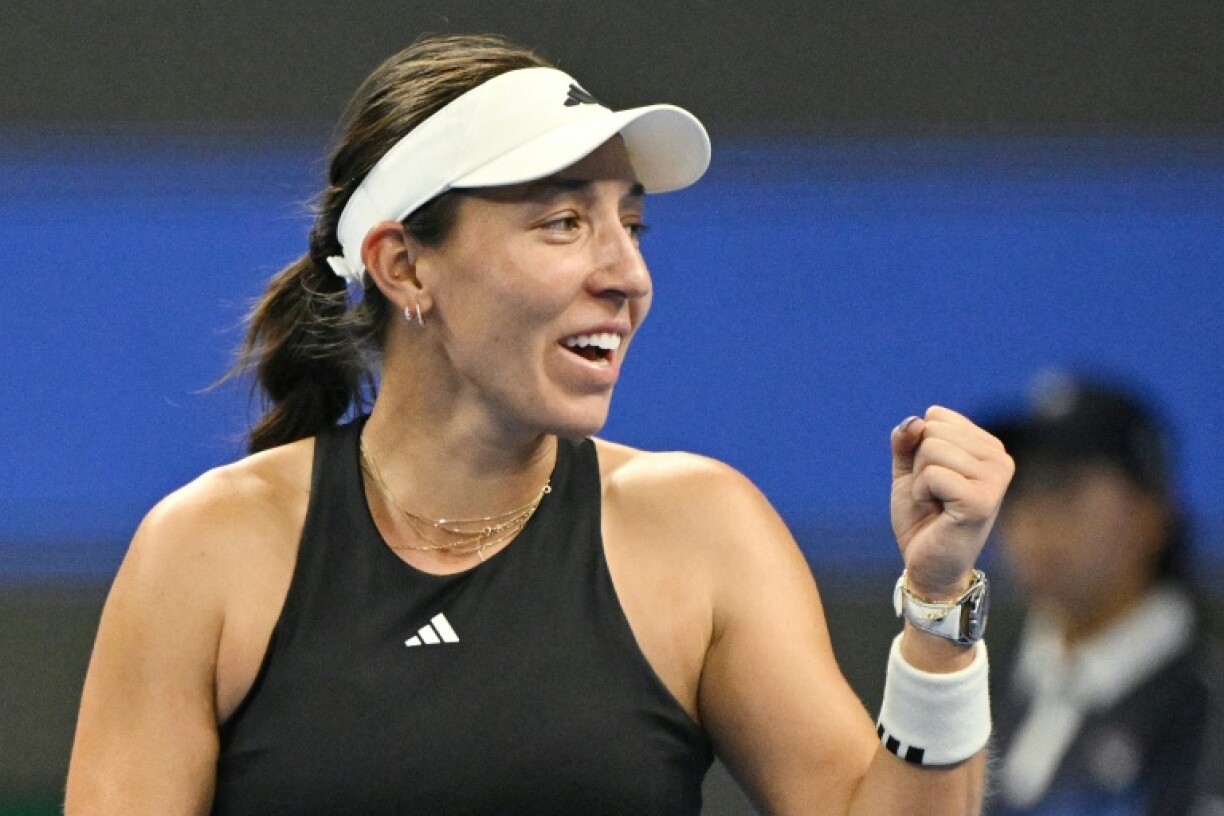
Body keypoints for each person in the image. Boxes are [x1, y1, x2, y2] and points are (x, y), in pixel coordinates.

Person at [64, 34, 1014, 815]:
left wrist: (939, 612)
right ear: (404, 268)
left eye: (630, 227)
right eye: (563, 222)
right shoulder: (207, 551)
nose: (625, 274)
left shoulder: (703, 533)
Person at [985, 374, 1224, 816]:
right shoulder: (980, 687)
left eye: (1063, 486)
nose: (1032, 518)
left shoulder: (1207, 712)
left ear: (1152, 511)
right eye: (1016, 488)